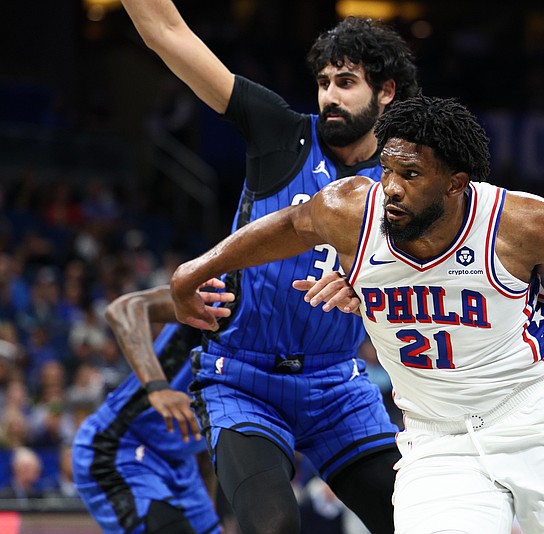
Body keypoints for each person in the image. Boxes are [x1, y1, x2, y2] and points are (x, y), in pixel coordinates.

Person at [170, 95, 544, 534]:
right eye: (387, 170)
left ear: (457, 183)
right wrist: (194, 271)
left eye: (410, 176)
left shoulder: (524, 224)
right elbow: (288, 228)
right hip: (438, 442)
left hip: (537, 420)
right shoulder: (351, 212)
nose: (390, 187)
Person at [119, 2, 419, 533]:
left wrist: (371, 286)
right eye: (323, 81)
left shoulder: (407, 180)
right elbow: (165, 31)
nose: (329, 95)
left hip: (336, 386)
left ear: (386, 92)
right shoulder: (281, 131)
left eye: (346, 81)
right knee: (274, 525)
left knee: (417, 520)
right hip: (241, 379)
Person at [72, 282, 232, 534]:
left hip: (182, 463)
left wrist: (207, 510)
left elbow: (205, 442)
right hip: (119, 448)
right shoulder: (220, 296)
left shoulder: (276, 350)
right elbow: (124, 308)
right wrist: (157, 386)